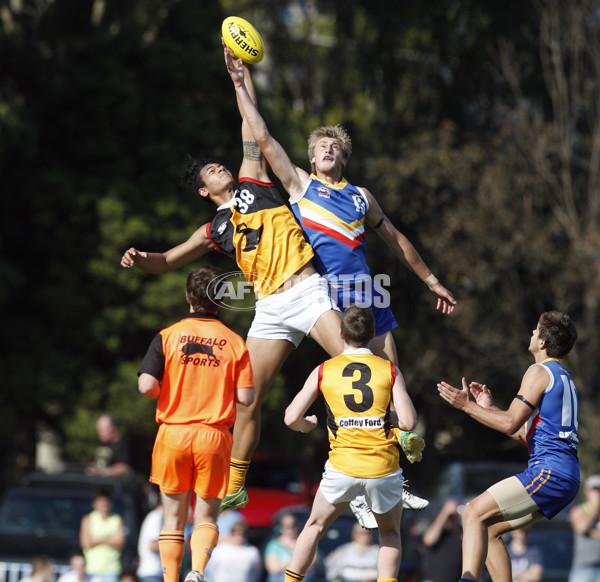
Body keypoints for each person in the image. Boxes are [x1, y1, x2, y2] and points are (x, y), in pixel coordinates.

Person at [223, 43, 453, 516]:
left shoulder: (361, 197)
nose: (327, 149)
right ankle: (315, 481)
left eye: (335, 146)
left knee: (385, 392)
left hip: (367, 298)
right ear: (310, 159)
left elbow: (396, 239)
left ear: (343, 158)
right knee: (329, 387)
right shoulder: (300, 186)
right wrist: (241, 85)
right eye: (320, 146)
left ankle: (385, 482)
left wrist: (431, 280)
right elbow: (263, 139)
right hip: (317, 295)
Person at [121, 59, 343, 513]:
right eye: (210, 172)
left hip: (308, 290)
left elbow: (253, 127)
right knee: (247, 399)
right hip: (271, 308)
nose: (219, 168)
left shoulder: (253, 179)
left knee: (357, 364)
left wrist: (240, 81)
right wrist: (141, 258)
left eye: (219, 165)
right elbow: (167, 261)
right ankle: (237, 482)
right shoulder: (211, 230)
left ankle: (394, 441)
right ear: (203, 190)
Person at [437, 310, 580, 582]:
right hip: (566, 477)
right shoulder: (564, 377)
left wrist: (465, 405)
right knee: (488, 530)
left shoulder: (539, 370)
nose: (532, 333)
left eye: (536, 330)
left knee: (471, 512)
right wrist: (490, 409)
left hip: (549, 472)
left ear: (543, 343)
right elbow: (526, 433)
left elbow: (510, 424)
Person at [281, 305, 418, 582]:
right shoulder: (389, 370)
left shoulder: (324, 370)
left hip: (342, 467)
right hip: (382, 469)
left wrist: (307, 425)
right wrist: (380, 416)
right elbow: (408, 422)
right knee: (390, 534)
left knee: (315, 526)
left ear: (341, 333)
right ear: (373, 334)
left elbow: (290, 417)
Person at [137, 265, 256, 582]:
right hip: (214, 436)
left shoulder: (168, 336)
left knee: (173, 518)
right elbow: (246, 397)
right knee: (206, 516)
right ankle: (197, 572)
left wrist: (171, 391)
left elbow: (146, 385)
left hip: (173, 434)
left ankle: (170, 578)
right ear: (220, 301)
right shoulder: (234, 341)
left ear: (188, 296)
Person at [79, 488, 126, 582]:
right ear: (95, 504)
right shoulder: (88, 519)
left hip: (112, 570)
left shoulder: (117, 519)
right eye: (101, 501)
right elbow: (85, 543)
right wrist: (110, 539)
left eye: (106, 501)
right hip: (92, 569)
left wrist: (98, 539)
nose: (104, 504)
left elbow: (120, 543)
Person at [263, 512, 318, 582]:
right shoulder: (273, 545)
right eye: (287, 526)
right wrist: (300, 562)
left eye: (293, 525)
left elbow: (313, 561)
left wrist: (286, 564)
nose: (291, 529)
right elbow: (273, 568)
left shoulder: (306, 541)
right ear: (281, 528)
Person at [419, 499, 463, 582]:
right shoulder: (439, 531)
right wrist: (445, 512)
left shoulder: (462, 533)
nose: (452, 518)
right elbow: (428, 540)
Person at [568, 474, 600, 582]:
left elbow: (586, 529)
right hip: (583, 567)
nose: (597, 493)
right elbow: (582, 528)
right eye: (594, 490)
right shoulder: (578, 510)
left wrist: (591, 531)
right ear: (587, 491)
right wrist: (595, 508)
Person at [86, 413, 133, 477]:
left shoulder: (124, 445)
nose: (99, 433)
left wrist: (103, 472)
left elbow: (124, 468)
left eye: (102, 430)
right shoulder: (103, 444)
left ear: (113, 429)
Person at [136, 502, 164, 582]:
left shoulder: (155, 516)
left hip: (153, 572)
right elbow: (152, 545)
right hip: (152, 572)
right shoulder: (156, 517)